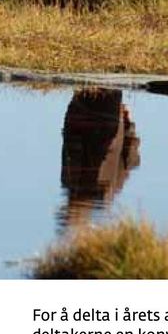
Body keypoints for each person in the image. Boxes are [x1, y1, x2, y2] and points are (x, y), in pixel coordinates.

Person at [59, 88, 141, 229]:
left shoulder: (70, 182)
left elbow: (130, 160)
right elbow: (130, 160)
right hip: (100, 116)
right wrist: (128, 126)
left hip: (98, 116)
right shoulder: (103, 193)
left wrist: (129, 127)